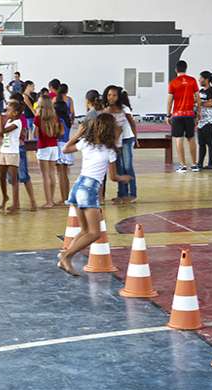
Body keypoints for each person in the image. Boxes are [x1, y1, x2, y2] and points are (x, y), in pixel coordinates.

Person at [56, 113, 132, 276]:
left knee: (84, 230)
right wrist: (124, 178)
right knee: (94, 233)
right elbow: (112, 177)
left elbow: (65, 149)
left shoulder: (86, 143)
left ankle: (65, 255)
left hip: (77, 187)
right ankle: (66, 257)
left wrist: (77, 134)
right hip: (89, 190)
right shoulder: (110, 151)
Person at [105, 85, 139, 203]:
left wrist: (135, 138)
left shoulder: (124, 108)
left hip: (126, 139)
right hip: (115, 141)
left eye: (114, 95)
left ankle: (132, 194)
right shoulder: (107, 109)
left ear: (118, 97)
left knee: (128, 166)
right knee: (118, 168)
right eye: (109, 95)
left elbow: (132, 123)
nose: (111, 97)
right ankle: (122, 194)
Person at [167, 60, 200, 173]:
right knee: (191, 138)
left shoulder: (173, 82)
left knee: (178, 139)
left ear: (176, 69)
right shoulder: (192, 81)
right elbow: (198, 98)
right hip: (189, 114)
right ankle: (195, 165)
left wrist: (168, 115)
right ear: (186, 68)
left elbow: (170, 101)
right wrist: (198, 114)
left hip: (177, 115)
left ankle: (183, 165)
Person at [0, 102, 25, 214]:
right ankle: (5, 197)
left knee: (14, 180)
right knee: (1, 177)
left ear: (15, 113)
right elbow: (1, 134)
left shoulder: (17, 122)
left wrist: (0, 119)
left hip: (12, 153)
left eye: (9, 110)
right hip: (3, 151)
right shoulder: (8, 121)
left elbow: (3, 131)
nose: (6, 112)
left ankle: (15, 204)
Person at [35, 96, 62, 208]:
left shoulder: (38, 117)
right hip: (54, 147)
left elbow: (36, 134)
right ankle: (52, 199)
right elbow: (59, 132)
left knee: (45, 176)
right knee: (52, 174)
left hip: (43, 147)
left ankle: (49, 201)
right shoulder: (55, 117)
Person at [54, 85, 76, 198]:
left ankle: (64, 198)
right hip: (66, 143)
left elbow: (59, 133)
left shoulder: (59, 121)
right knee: (64, 174)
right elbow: (73, 114)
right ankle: (66, 197)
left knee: (61, 173)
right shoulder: (69, 100)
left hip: (60, 145)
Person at [198, 71, 212, 170]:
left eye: (201, 78)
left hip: (210, 121)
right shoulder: (200, 91)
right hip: (201, 122)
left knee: (210, 143)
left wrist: (199, 103)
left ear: (206, 80)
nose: (199, 80)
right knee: (201, 144)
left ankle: (210, 164)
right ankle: (200, 164)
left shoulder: (211, 91)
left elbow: (211, 103)